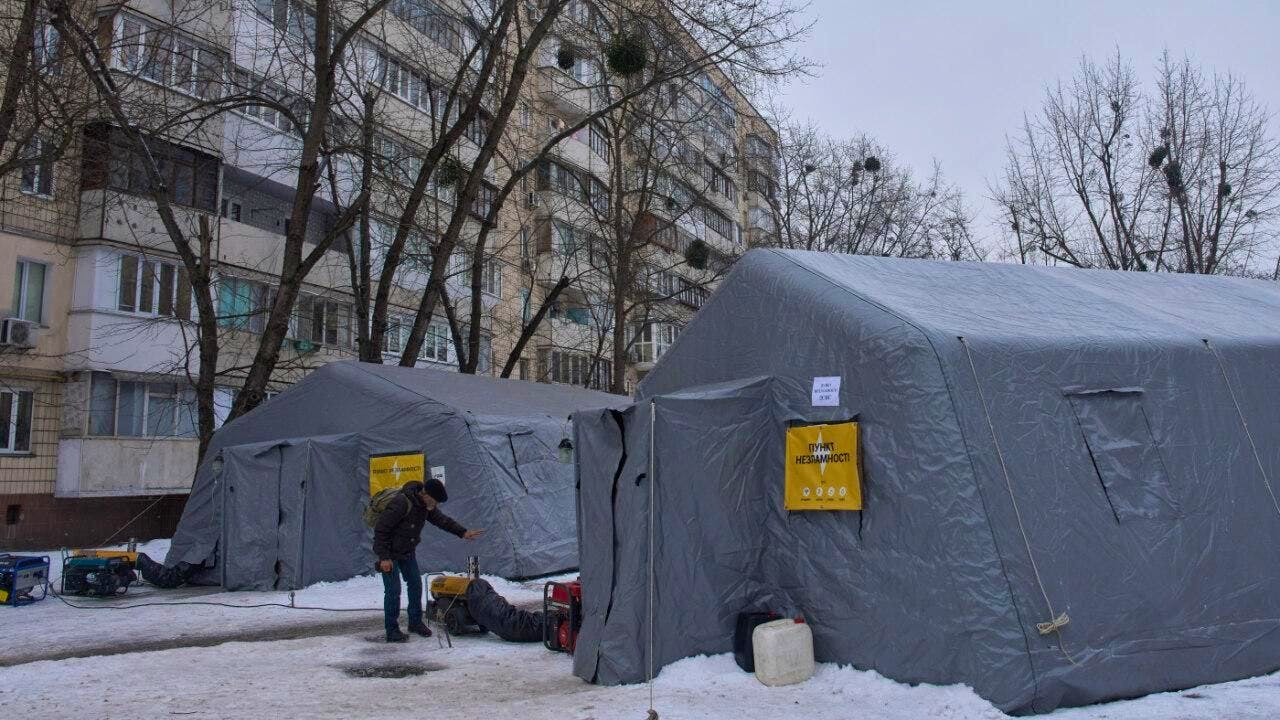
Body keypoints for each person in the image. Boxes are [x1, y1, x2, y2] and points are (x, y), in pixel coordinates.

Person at [374, 479, 484, 642]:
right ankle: (392, 630)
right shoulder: (401, 503)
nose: (435, 505)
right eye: (435, 501)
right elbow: (381, 530)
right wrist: (384, 558)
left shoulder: (425, 506)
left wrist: (463, 532)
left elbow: (442, 521)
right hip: (389, 553)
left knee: (415, 585)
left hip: (407, 551)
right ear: (425, 494)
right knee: (393, 590)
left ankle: (415, 622)